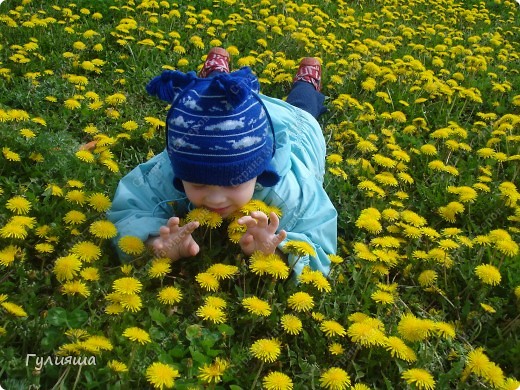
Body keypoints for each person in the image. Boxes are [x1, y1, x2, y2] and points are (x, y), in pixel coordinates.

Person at [107, 47, 337, 277]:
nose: (216, 199)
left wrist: (279, 252)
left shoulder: (290, 192)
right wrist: (154, 241)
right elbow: (128, 207)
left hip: (296, 127)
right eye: (198, 184)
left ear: (259, 172)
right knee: (212, 99)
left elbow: (319, 236)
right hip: (236, 122)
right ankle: (215, 75)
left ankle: (306, 82)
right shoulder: (170, 169)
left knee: (303, 106)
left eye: (233, 184)